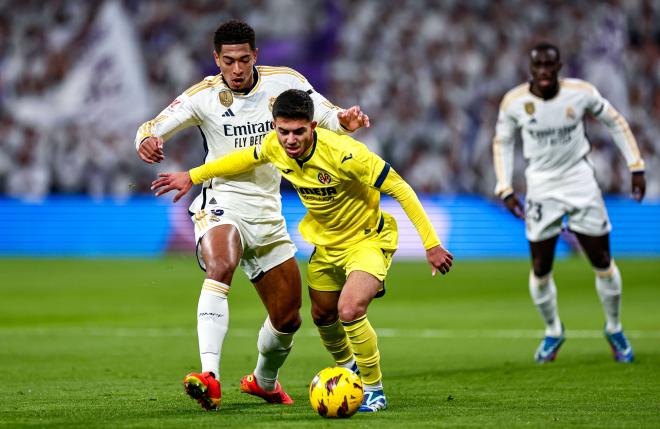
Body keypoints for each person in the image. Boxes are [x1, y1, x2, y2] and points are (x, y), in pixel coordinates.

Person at [151, 89, 454, 412]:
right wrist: (192, 176)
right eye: (283, 131)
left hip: (366, 241)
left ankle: (373, 389)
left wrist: (431, 243)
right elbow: (241, 159)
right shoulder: (274, 146)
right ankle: (349, 367)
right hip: (325, 244)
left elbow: (400, 187)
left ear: (312, 126)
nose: (290, 140)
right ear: (275, 127)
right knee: (322, 315)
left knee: (349, 310)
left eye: (298, 131)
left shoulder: (346, 153)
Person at [134, 20, 370, 410]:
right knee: (222, 262)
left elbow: (327, 115)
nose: (238, 69)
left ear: (255, 56)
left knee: (288, 316)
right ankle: (209, 375)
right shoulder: (202, 96)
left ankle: (263, 381)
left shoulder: (283, 82)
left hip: (268, 211)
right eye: (229, 61)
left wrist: (347, 119)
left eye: (244, 59)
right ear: (217, 59)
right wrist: (147, 141)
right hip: (221, 199)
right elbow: (151, 126)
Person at [492, 42, 646, 364]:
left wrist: (636, 166)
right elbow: (502, 142)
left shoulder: (581, 92)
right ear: (531, 69)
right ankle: (553, 331)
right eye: (539, 66)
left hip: (580, 182)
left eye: (550, 65)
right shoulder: (515, 102)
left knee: (602, 261)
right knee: (540, 267)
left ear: (560, 67)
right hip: (541, 187)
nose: (545, 72)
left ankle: (615, 328)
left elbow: (616, 122)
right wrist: (505, 187)